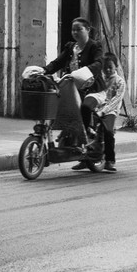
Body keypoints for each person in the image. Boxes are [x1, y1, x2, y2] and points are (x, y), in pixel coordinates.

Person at [43, 17, 105, 160]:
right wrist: (44, 70)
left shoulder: (95, 46)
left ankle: (87, 132)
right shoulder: (71, 47)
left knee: (84, 107)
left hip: (92, 88)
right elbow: (58, 63)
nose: (75, 32)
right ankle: (69, 138)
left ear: (88, 29)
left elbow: (99, 63)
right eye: (73, 30)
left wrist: (85, 72)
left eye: (79, 29)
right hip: (71, 87)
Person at [79, 52, 125, 172]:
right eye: (105, 68)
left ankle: (110, 160)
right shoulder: (99, 79)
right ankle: (84, 159)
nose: (108, 70)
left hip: (110, 111)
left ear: (116, 67)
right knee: (86, 129)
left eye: (110, 67)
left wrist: (104, 111)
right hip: (98, 107)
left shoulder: (120, 82)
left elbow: (116, 100)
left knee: (108, 132)